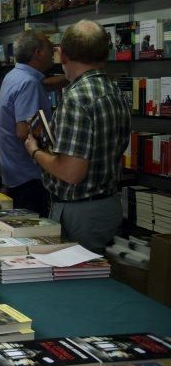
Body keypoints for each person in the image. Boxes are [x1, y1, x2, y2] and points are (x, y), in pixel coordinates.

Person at [26, 20, 131, 254]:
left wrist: (35, 151)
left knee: (77, 281)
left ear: (62, 56)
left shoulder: (76, 99)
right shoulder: (115, 91)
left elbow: (71, 172)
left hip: (80, 210)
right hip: (108, 203)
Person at [0, 31, 55, 217]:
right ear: (38, 53)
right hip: (29, 175)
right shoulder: (29, 83)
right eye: (49, 47)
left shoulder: (13, 75)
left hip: (12, 169)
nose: (54, 51)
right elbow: (24, 131)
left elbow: (45, 84)